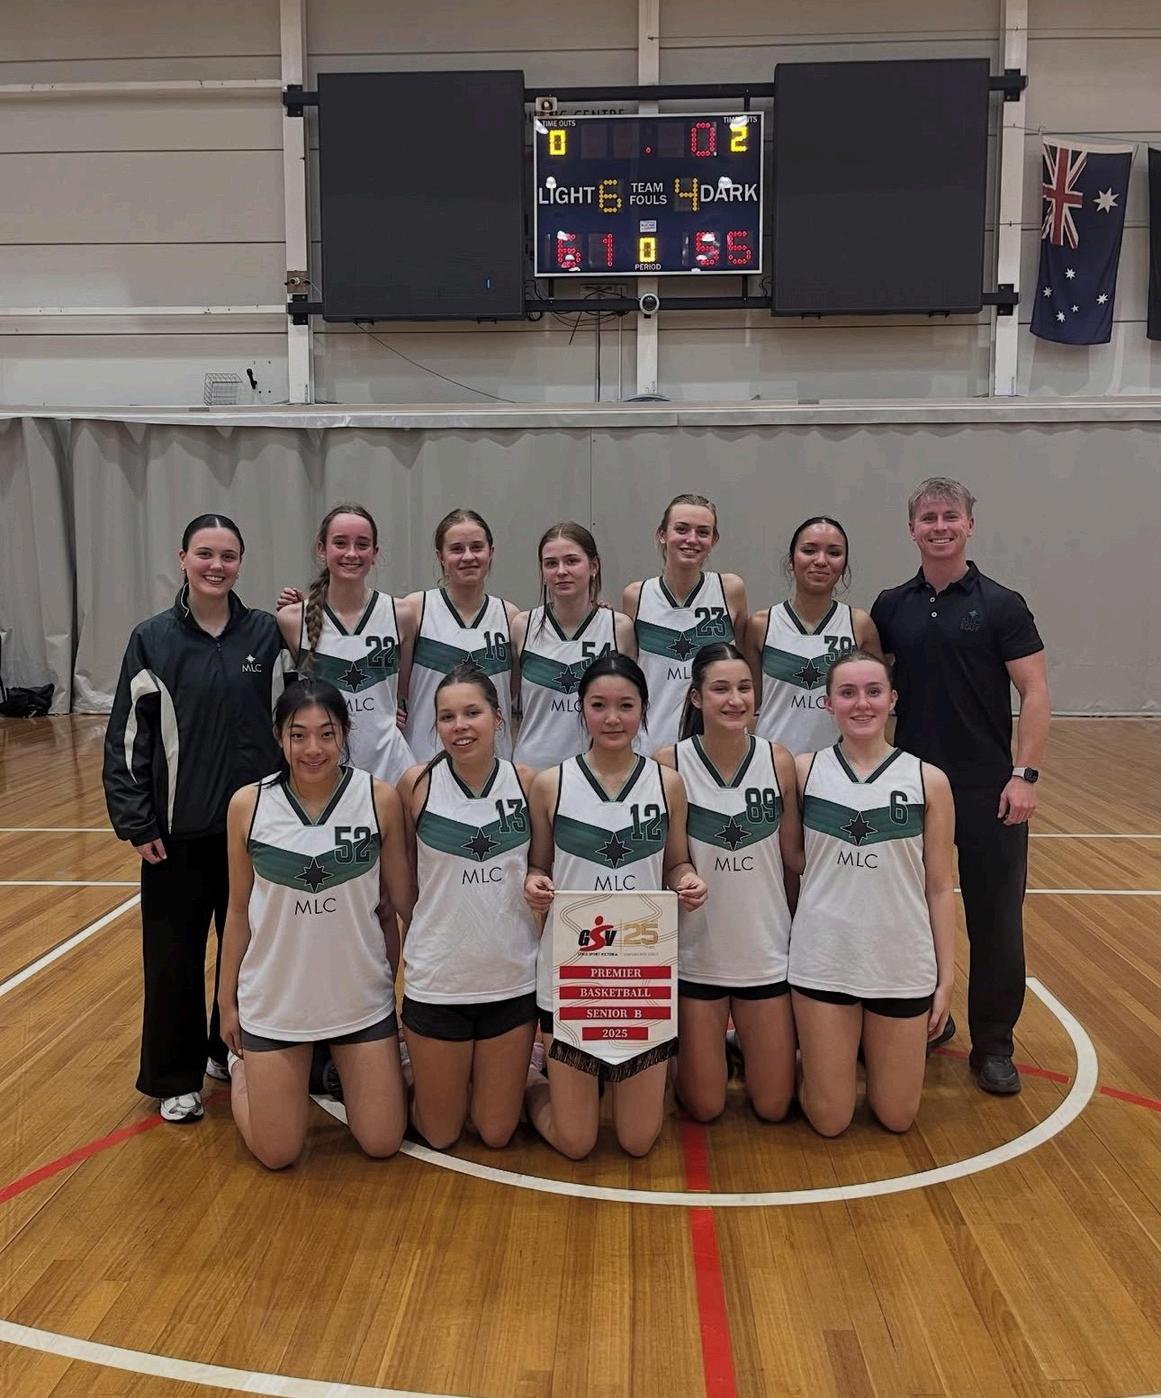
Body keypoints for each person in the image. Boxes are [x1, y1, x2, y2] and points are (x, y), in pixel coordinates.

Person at [103, 513, 288, 1124]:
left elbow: (299, 712)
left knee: (249, 950)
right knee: (174, 959)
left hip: (256, 834)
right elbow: (127, 739)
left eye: (228, 555)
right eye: (205, 554)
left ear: (241, 563)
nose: (216, 565)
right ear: (182, 558)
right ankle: (173, 1077)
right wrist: (137, 821)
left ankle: (222, 1046)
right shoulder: (152, 639)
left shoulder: (265, 634)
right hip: (176, 837)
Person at [871, 477, 1049, 1095]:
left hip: (987, 790)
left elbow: (1035, 691)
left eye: (951, 516)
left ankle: (994, 1045)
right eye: (928, 518)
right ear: (911, 530)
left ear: (969, 524)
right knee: (909, 911)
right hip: (911, 788)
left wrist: (1024, 776)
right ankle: (926, 1018)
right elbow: (871, 688)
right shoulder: (890, 606)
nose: (940, 527)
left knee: (996, 921)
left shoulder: (1003, 604)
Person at [216, 679, 412, 1168]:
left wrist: (398, 987)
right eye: (298, 735)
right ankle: (244, 1070)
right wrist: (225, 1002)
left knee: (382, 1141)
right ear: (279, 737)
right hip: (276, 1000)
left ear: (344, 733)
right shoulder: (248, 805)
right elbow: (237, 912)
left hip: (358, 999)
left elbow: (396, 906)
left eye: (326, 734)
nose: (313, 749)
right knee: (278, 1153)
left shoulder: (379, 798)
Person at [523, 653, 708, 1159]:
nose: (612, 718)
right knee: (576, 1142)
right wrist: (535, 883)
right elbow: (538, 865)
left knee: (637, 1140)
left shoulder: (667, 783)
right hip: (572, 970)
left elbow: (676, 863)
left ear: (643, 710)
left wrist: (688, 881)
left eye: (625, 706)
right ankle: (530, 1082)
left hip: (641, 968)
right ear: (581, 708)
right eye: (598, 705)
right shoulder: (551, 784)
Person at [789, 650, 956, 1136]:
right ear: (828, 703)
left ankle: (837, 1062)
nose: (861, 703)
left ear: (892, 699)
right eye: (847, 693)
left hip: (901, 963)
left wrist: (945, 978)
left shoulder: (929, 780)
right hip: (824, 957)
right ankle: (809, 1066)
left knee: (897, 1117)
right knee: (830, 1120)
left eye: (873, 691)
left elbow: (940, 886)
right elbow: (791, 861)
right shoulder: (802, 772)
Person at [653, 643, 802, 1124]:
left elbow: (793, 860)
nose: (735, 700)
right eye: (720, 689)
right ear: (696, 698)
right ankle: (690, 1052)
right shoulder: (670, 763)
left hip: (764, 951)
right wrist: (685, 877)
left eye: (744, 688)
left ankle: (740, 1046)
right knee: (705, 1106)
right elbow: (671, 862)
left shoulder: (778, 760)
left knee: (774, 1107)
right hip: (698, 954)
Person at [397, 664, 540, 1150]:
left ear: (497, 718)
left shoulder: (527, 782)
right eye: (447, 717)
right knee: (440, 1134)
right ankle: (411, 1072)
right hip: (440, 980)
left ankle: (519, 1073)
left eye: (472, 713)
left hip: (511, 977)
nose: (460, 726)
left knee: (496, 1133)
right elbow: (404, 885)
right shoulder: (415, 784)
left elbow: (540, 868)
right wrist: (436, 927)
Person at [276, 503, 416, 784]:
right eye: (340, 543)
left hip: (390, 766)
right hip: (324, 767)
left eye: (362, 544)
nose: (351, 553)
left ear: (375, 553)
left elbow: (403, 692)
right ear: (322, 549)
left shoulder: (400, 613)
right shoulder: (291, 619)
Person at [744, 516, 880, 754]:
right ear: (791, 560)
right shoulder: (761, 625)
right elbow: (748, 704)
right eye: (809, 550)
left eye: (834, 553)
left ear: (844, 565)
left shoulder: (859, 625)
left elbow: (877, 702)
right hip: (772, 762)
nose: (821, 561)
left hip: (838, 765)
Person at [622, 494, 748, 752]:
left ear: (714, 540)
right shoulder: (637, 595)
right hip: (652, 744)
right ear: (662, 534)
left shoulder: (730, 589)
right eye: (681, 529)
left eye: (703, 532)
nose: (692, 539)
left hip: (718, 746)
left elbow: (746, 667)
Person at [512, 521, 636, 771]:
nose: (561, 571)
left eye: (571, 561)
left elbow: (632, 702)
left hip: (599, 771)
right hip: (533, 771)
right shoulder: (522, 626)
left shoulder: (619, 628)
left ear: (594, 566)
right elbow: (510, 703)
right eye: (551, 563)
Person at [403, 509, 520, 764]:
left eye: (477, 547)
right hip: (425, 762)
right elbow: (397, 686)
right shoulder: (415, 609)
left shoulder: (510, 616)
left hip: (494, 765)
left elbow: (512, 691)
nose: (468, 556)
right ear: (440, 556)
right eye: (456, 549)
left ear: (491, 552)